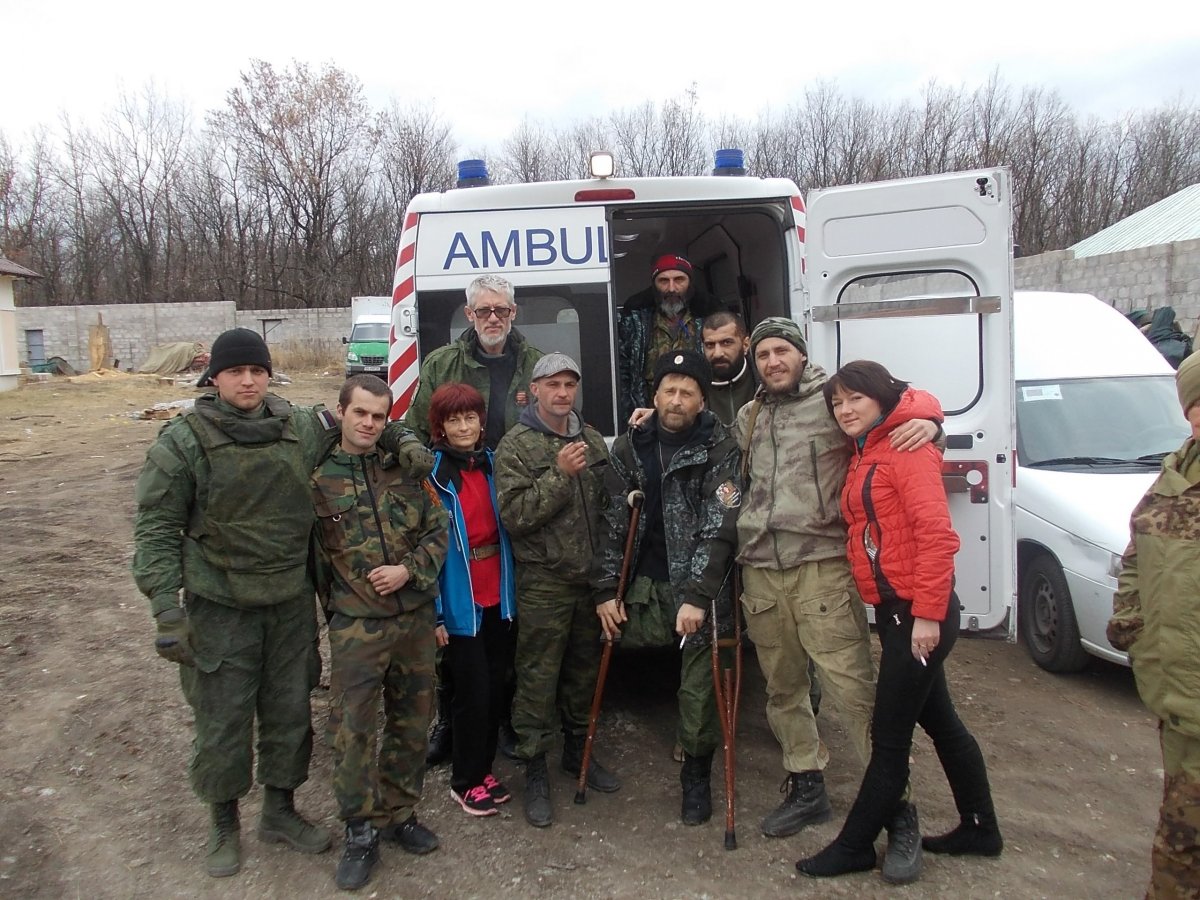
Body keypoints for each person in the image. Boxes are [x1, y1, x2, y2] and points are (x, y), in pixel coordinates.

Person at [132, 328, 431, 879]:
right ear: (214, 377)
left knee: (289, 710)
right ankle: (224, 821)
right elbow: (156, 527)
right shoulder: (184, 441)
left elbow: (366, 422)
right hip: (220, 603)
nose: (248, 381)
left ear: (269, 375)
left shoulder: (299, 426)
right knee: (223, 717)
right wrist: (165, 606)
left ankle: (279, 810)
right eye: (235, 371)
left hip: (289, 601)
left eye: (257, 371)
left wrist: (405, 441)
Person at [734, 317, 937, 879]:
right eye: (764, 354)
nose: (773, 362)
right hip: (760, 572)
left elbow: (898, 409)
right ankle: (807, 785)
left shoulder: (833, 402)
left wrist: (931, 422)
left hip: (822, 569)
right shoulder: (749, 416)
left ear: (801, 354)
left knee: (855, 696)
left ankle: (898, 813)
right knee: (783, 689)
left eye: (783, 351)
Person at [795, 360, 1001, 884]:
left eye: (855, 399)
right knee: (942, 723)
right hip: (896, 613)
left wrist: (927, 616)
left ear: (882, 399)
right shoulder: (868, 448)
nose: (845, 410)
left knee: (889, 738)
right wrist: (931, 420)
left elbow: (936, 535)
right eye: (837, 402)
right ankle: (980, 828)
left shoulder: (906, 449)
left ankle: (855, 846)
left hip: (918, 613)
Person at [311, 375, 449, 891]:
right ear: (342, 412)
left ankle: (400, 813)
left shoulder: (403, 470)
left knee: (412, 721)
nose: (368, 424)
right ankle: (360, 829)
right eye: (360, 413)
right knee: (352, 730)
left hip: (413, 619)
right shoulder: (317, 477)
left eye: (378, 416)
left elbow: (439, 529)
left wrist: (408, 570)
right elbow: (312, 560)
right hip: (356, 627)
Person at [593, 349, 741, 825]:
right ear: (654, 396)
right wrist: (604, 591)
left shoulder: (721, 449)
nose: (677, 400)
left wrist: (698, 597)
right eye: (669, 391)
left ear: (702, 400)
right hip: (643, 581)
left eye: (687, 392)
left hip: (701, 586)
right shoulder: (629, 447)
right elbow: (611, 523)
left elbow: (719, 528)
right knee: (588, 640)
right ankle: (572, 747)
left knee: (701, 683)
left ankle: (696, 774)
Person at [405, 273, 540, 767]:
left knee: (506, 624)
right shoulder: (442, 364)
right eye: (484, 310)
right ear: (469, 314)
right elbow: (412, 430)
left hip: (517, 508)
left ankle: (501, 717)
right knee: (458, 628)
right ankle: (450, 718)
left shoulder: (535, 364)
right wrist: (426, 478)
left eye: (501, 309)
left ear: (514, 313)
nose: (493, 318)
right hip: (458, 501)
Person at [494, 352, 621, 828]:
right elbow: (515, 516)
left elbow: (609, 505)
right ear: (535, 390)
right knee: (537, 678)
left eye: (570, 384)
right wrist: (559, 475)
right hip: (544, 583)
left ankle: (577, 752)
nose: (563, 393)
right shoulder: (516, 445)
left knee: (583, 674)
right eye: (553, 385)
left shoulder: (591, 438)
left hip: (590, 582)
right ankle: (534, 770)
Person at [1108, 351, 1200, 898]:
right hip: (1179, 690)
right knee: (1181, 833)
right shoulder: (1176, 474)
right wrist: (1132, 627)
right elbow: (1137, 559)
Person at [427, 383, 517, 818]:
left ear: (481, 421)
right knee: (472, 692)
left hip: (499, 594)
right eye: (453, 420)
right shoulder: (432, 477)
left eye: (470, 418)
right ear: (440, 427)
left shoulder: (495, 464)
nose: (464, 427)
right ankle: (464, 781)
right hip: (460, 599)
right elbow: (424, 548)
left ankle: (484, 771)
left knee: (497, 687)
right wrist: (435, 614)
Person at [617, 254, 728, 424]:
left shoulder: (710, 318)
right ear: (654, 285)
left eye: (679, 280)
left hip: (700, 421)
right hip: (647, 422)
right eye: (663, 281)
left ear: (690, 283)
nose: (671, 288)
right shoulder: (634, 320)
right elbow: (622, 373)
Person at [701, 311, 757, 428]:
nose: (717, 353)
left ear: (745, 345)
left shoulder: (764, 383)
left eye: (726, 343)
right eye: (710, 345)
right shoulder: (695, 388)